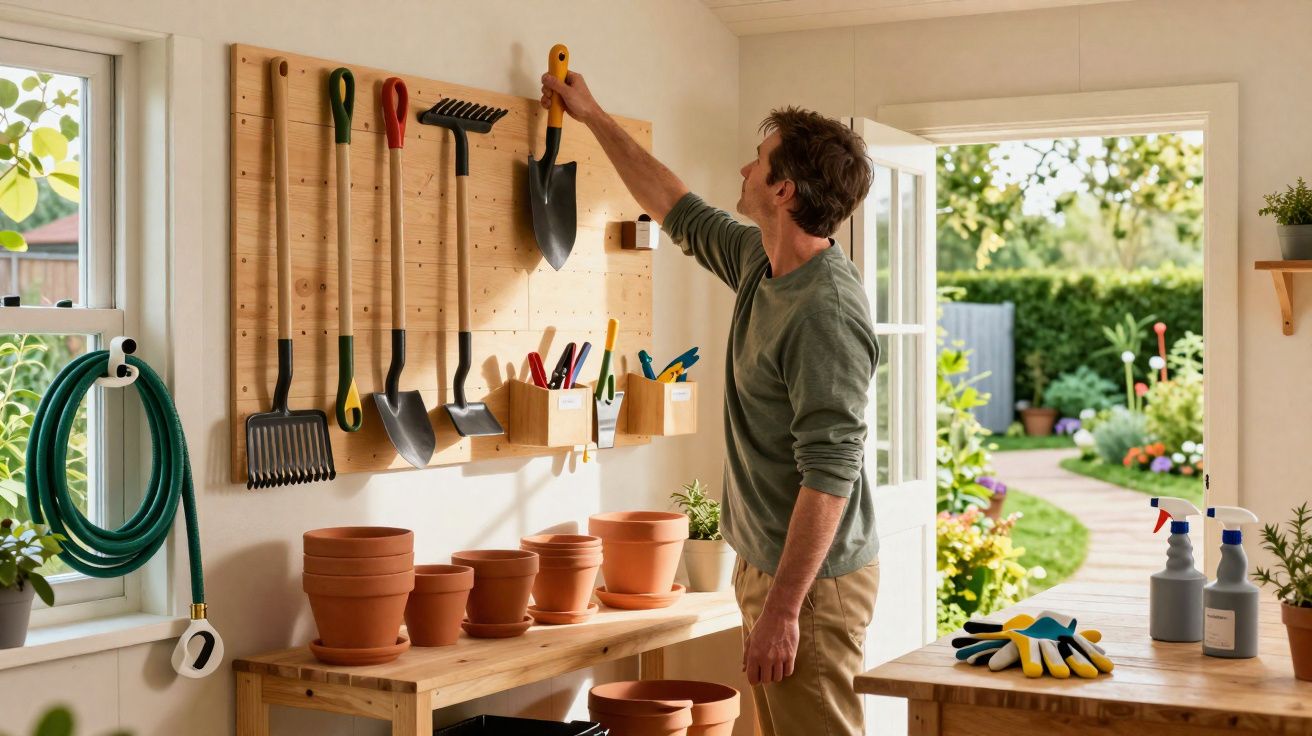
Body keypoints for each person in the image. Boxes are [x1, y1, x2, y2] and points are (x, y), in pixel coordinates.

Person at [541, 71, 879, 736]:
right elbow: (675, 205)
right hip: (768, 564)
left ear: (782, 190)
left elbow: (831, 475)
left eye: (761, 159)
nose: (745, 167)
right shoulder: (762, 260)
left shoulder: (825, 313)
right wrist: (593, 115)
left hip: (811, 586)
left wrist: (784, 608)